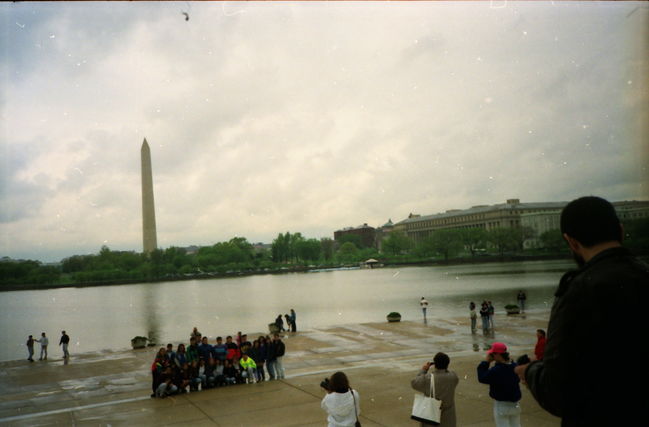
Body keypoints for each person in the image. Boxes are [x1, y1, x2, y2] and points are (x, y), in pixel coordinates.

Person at [515, 196, 649, 426]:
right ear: (620, 230)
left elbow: (558, 392)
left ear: (571, 242)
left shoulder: (579, 290)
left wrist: (529, 372)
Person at [477, 342, 522, 427]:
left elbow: (482, 378)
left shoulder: (496, 370)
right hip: (515, 404)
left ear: (497, 355)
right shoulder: (515, 366)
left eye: (492, 354)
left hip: (501, 405)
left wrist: (486, 362)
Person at [411, 352, 459, 427]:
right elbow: (451, 374)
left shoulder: (428, 378)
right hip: (448, 419)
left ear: (435, 364)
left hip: (431, 418)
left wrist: (423, 370)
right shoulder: (453, 377)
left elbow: (414, 383)